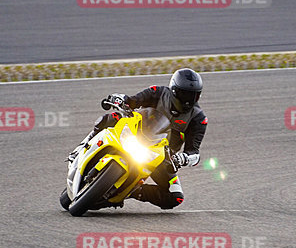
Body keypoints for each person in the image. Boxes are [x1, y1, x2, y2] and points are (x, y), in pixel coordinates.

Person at [68, 68, 207, 209]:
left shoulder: (198, 119)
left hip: (161, 156)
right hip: (134, 133)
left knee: (175, 197)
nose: (188, 100)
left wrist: (183, 159)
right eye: (184, 94)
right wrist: (121, 99)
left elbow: (194, 152)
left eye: (193, 96)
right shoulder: (157, 92)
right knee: (110, 118)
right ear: (174, 90)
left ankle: (132, 191)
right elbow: (133, 100)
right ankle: (80, 148)